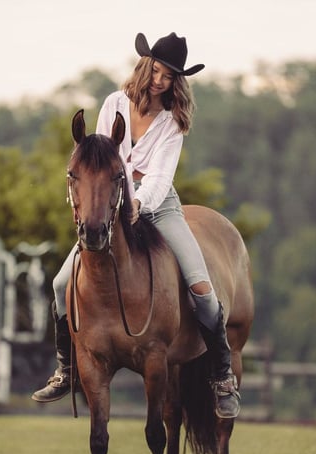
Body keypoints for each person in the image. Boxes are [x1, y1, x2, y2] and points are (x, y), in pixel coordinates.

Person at [32, 32, 240, 419]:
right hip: (111, 205)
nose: (160, 80)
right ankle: (66, 370)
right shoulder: (114, 104)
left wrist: (140, 201)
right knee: (61, 284)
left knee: (201, 286)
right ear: (146, 66)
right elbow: (100, 160)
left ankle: (222, 376)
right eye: (157, 70)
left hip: (159, 206)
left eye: (170, 76)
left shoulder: (172, 123)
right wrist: (119, 197)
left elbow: (159, 178)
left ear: (178, 81)